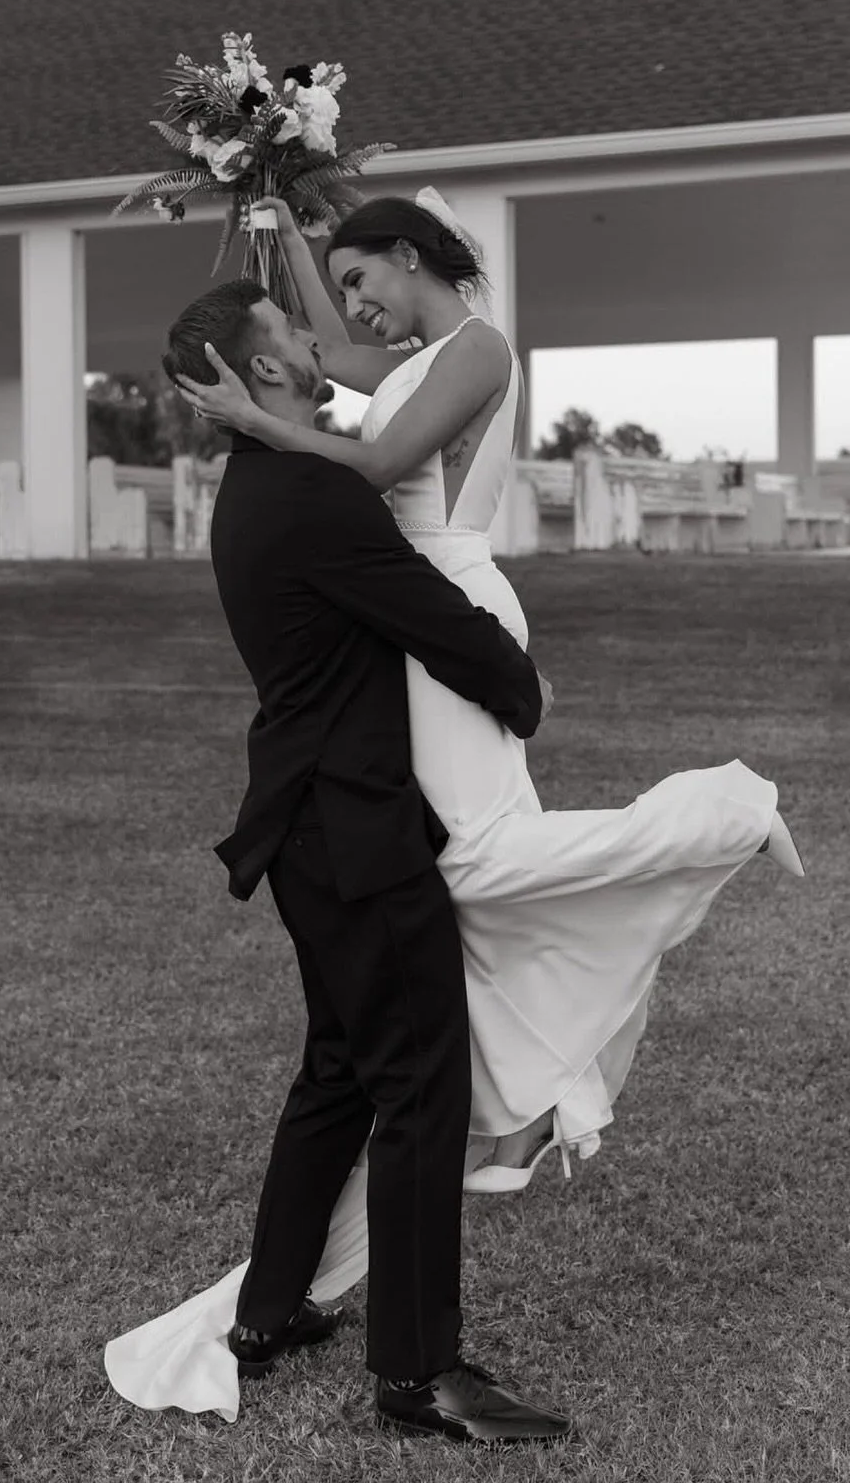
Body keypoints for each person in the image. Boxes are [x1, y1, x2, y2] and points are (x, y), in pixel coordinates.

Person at [109, 275, 575, 1444]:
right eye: (299, 335)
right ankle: (419, 1375)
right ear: (263, 369)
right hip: (356, 833)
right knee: (422, 1082)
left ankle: (268, 1314)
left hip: (310, 826)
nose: (320, 347)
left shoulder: (266, 479)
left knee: (342, 1069)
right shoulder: (311, 492)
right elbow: (429, 615)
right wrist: (524, 690)